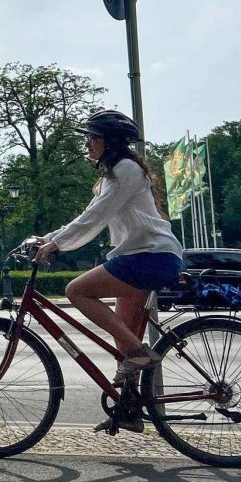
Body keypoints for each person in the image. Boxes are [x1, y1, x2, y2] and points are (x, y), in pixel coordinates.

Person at [33, 109, 184, 433]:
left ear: (108, 141)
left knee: (76, 290)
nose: (87, 144)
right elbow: (89, 216)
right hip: (140, 257)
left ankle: (137, 352)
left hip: (149, 256)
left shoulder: (126, 170)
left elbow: (95, 217)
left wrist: (55, 245)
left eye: (92, 138)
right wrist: (46, 239)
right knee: (122, 340)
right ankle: (129, 411)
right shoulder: (111, 176)